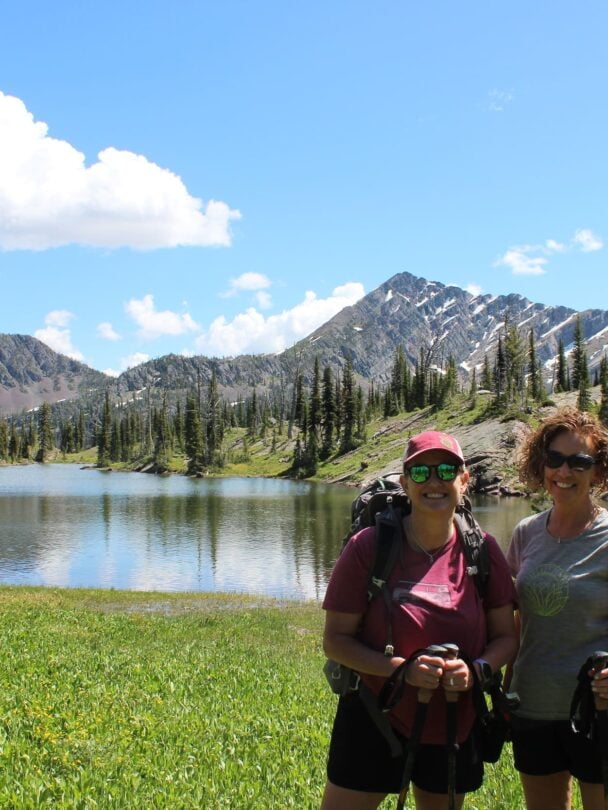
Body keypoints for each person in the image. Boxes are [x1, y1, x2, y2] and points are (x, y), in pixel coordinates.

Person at [320, 430, 518, 810]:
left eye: (447, 470)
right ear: (406, 482)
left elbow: (506, 637)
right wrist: (401, 670)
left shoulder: (483, 549)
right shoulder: (369, 547)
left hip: (453, 722)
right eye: (421, 471)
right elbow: (336, 641)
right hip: (373, 715)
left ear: (464, 480)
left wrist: (478, 670)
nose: (434, 481)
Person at [506, 407, 608, 810]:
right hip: (533, 703)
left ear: (598, 472)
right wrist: (505, 687)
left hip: (598, 706)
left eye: (579, 461)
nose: (563, 471)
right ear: (540, 463)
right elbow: (514, 621)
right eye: (554, 459)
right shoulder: (525, 533)